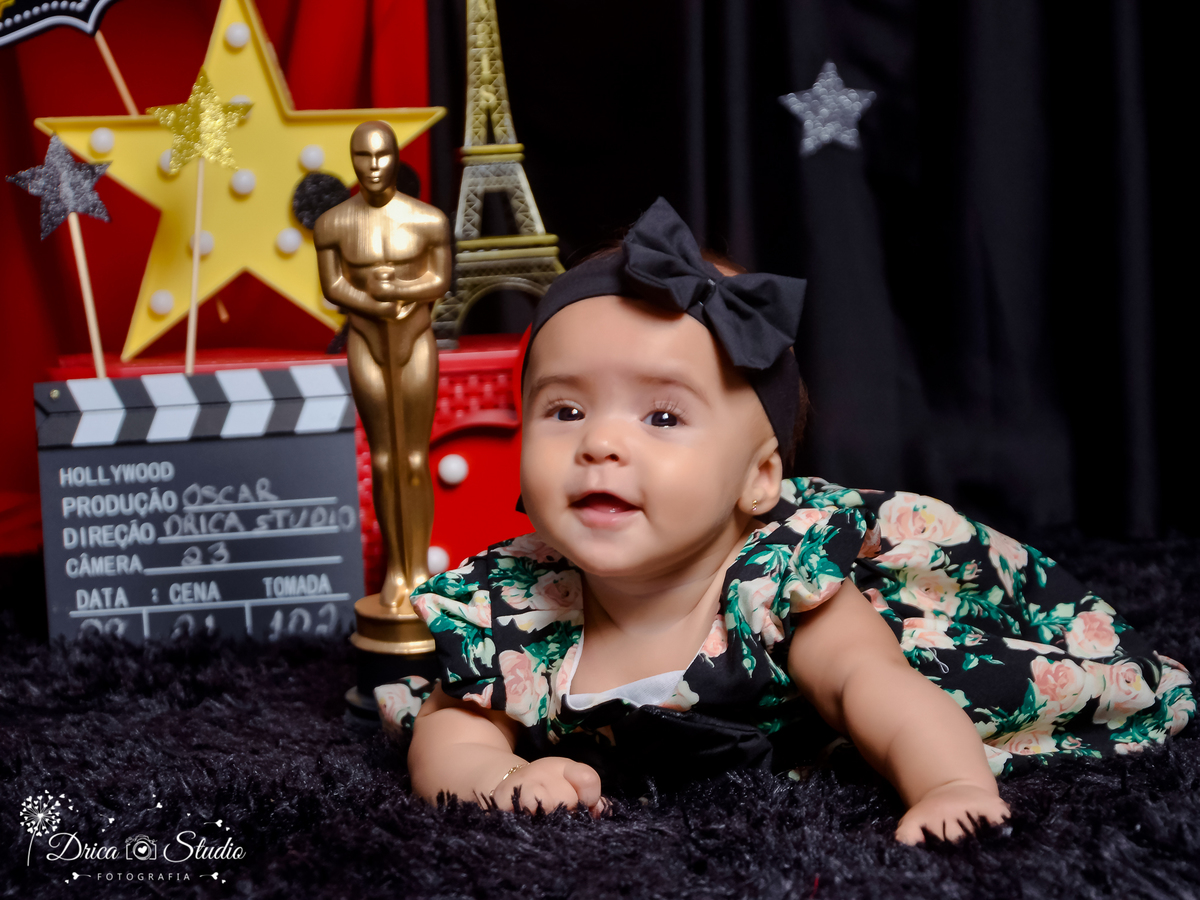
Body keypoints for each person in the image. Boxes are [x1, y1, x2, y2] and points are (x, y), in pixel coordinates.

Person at [390, 198, 1195, 844]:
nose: (600, 443)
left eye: (663, 418)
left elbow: (874, 687)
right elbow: (449, 735)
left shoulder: (780, 580)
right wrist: (501, 778)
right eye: (565, 410)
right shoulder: (512, 605)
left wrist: (950, 785)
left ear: (759, 479)